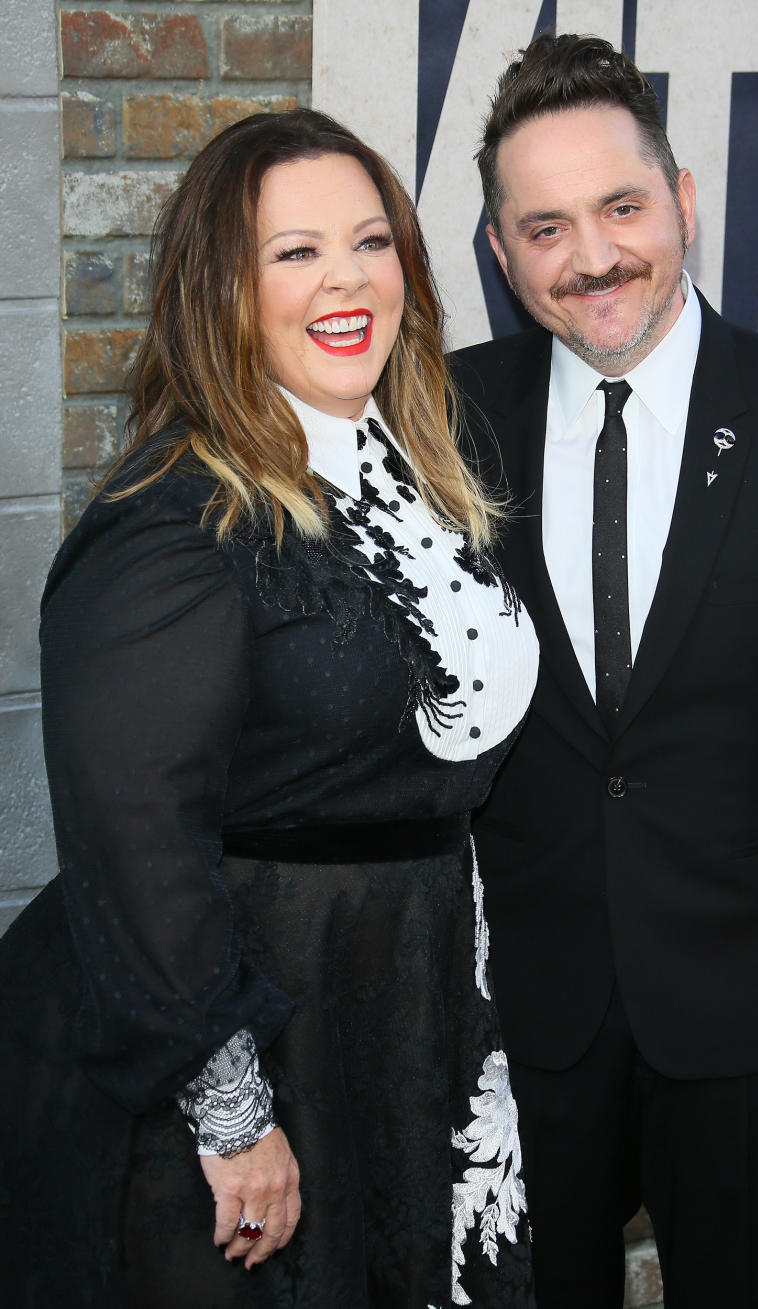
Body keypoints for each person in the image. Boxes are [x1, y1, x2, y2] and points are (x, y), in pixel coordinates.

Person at [452, 31, 758, 1309]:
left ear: (681, 202)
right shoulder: (446, 421)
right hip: (527, 1024)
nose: (594, 256)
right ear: (502, 253)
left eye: (622, 207)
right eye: (546, 227)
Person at [0, 108, 538, 1309]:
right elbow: (138, 833)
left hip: (402, 1012)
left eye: (369, 242)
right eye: (293, 253)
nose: (343, 280)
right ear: (219, 288)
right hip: (246, 1047)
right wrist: (235, 1113)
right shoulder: (174, 519)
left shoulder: (414, 459)